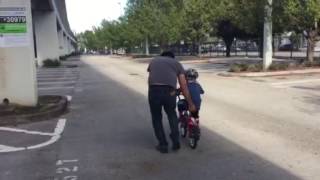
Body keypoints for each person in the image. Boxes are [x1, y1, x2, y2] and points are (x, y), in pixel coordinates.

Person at [148, 51, 196, 154]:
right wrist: (191, 104)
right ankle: (175, 141)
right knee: (172, 114)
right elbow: (183, 85)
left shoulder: (154, 61)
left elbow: (150, 77)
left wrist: (154, 90)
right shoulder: (176, 63)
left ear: (162, 56)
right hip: (169, 91)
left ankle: (163, 145)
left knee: (156, 118)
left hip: (154, 90)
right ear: (173, 58)